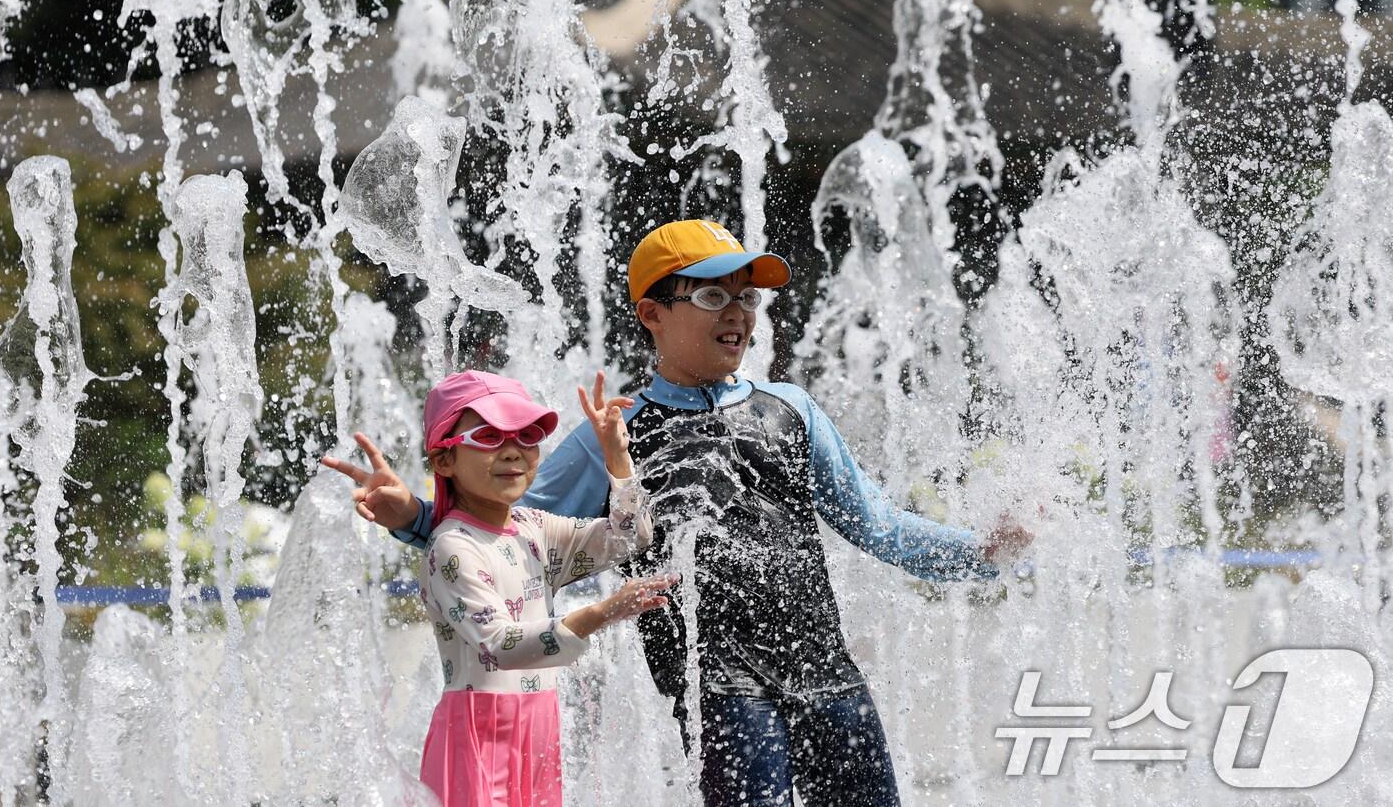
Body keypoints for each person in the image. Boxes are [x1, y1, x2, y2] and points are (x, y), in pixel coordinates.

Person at [348, 219, 1034, 807]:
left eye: (747, 296)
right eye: (711, 295)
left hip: (827, 673)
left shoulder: (790, 410)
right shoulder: (614, 436)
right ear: (652, 313)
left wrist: (981, 551)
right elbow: (509, 539)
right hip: (722, 689)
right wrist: (412, 514)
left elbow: (879, 526)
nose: (736, 312)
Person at [323, 369, 674, 807]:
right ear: (444, 460)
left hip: (539, 725)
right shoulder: (452, 547)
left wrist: (617, 460)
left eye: (527, 436)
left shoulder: (535, 530)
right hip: (476, 733)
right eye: (489, 437)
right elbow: (501, 644)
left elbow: (629, 537)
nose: (513, 451)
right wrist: (601, 613)